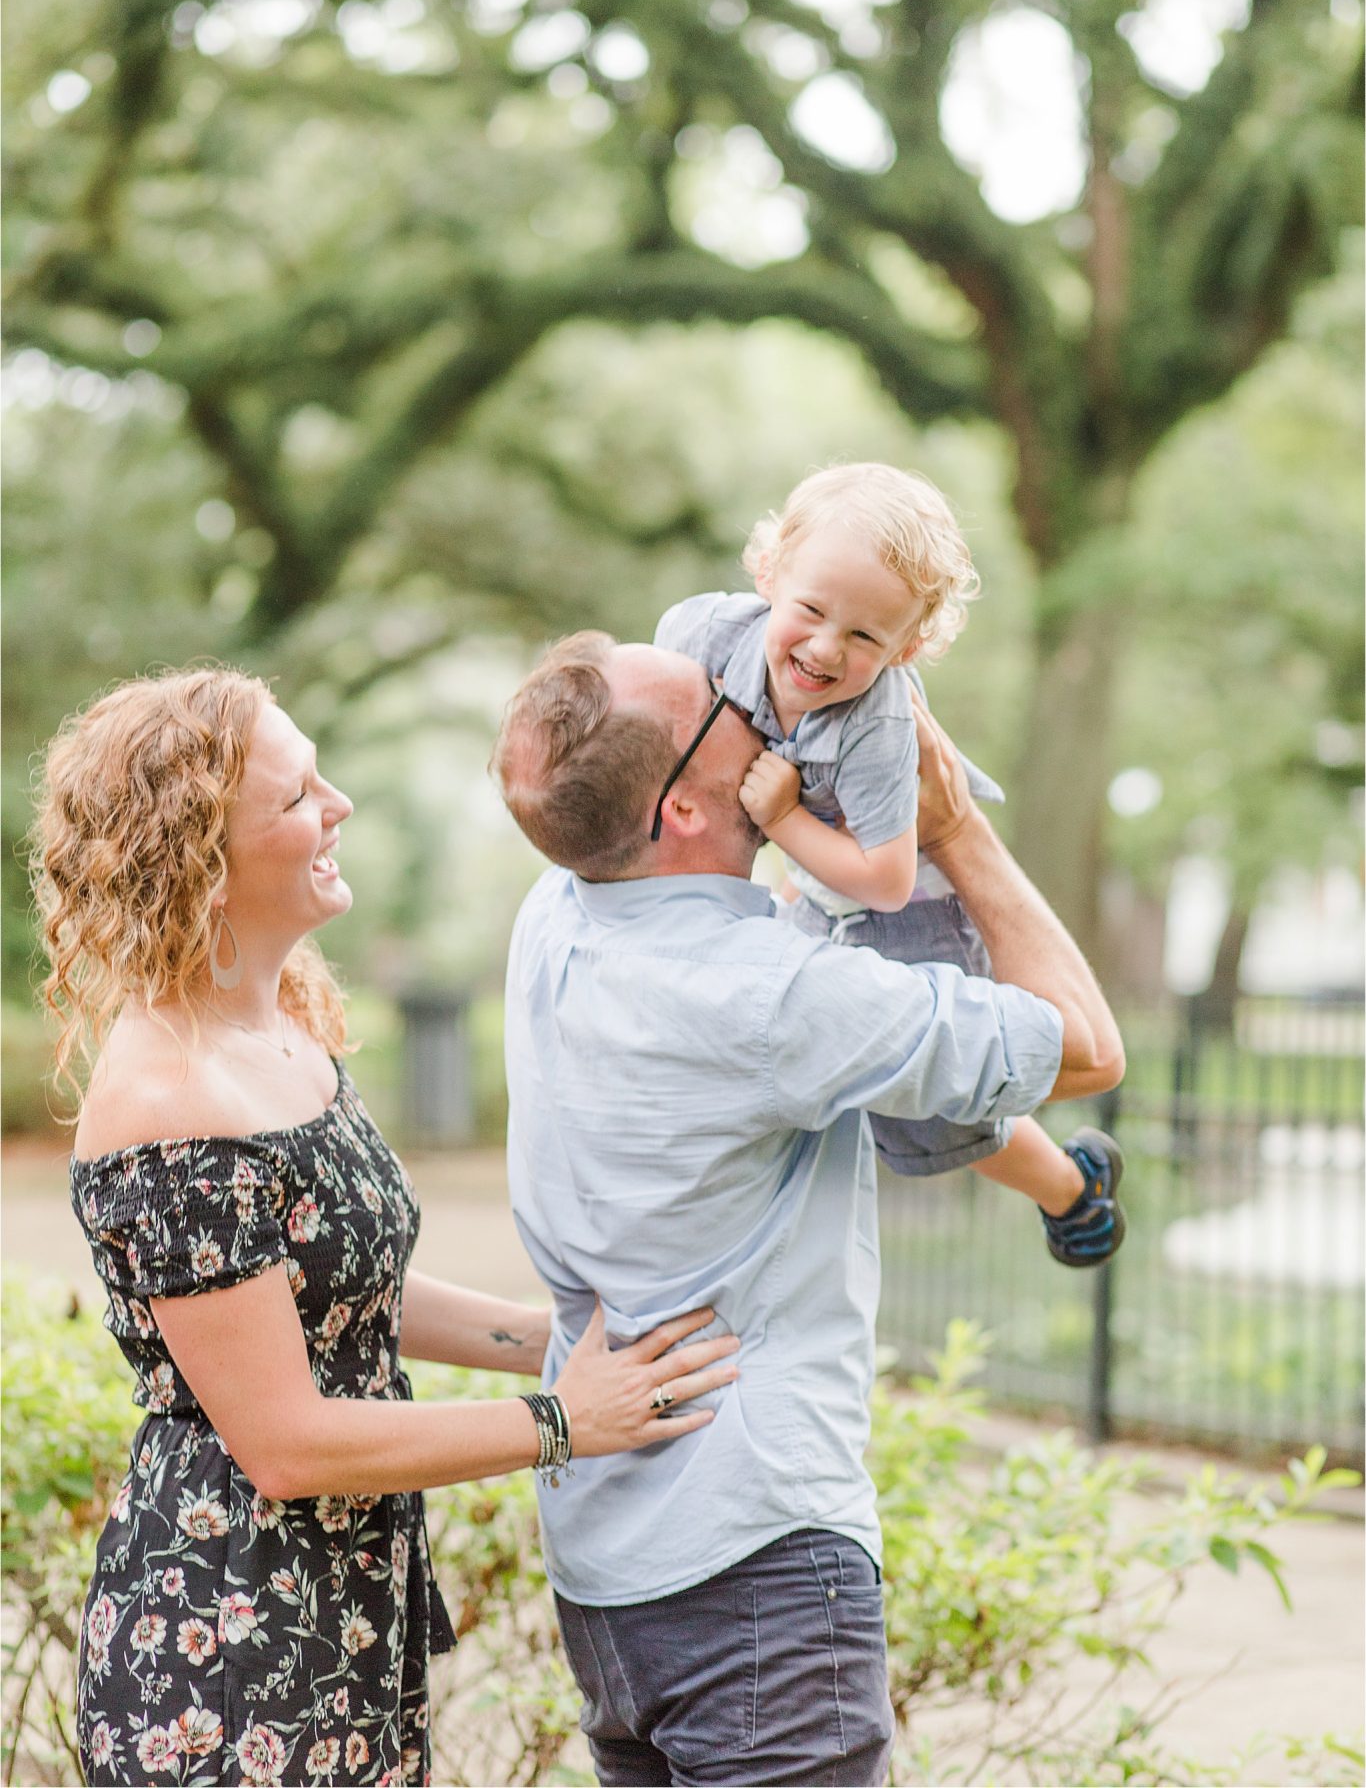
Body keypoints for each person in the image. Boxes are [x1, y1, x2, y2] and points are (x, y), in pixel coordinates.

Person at [31, 668, 740, 1788]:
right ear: (201, 864)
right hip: (226, 1648)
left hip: (339, 1614)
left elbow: (339, 1297)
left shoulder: (283, 1019)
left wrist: (553, 1337)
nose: (338, 805)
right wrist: (561, 1417)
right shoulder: (165, 1099)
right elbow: (288, 1439)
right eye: (296, 796)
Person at [491, 630, 1124, 1786]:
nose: (759, 696)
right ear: (683, 806)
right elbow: (1085, 1041)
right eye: (725, 696)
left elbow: (617, 767)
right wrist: (950, 826)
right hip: (758, 1575)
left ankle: (1072, 1186)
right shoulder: (769, 998)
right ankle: (1075, 1187)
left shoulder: (559, 908)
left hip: (605, 1576)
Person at [654, 462, 1125, 1268]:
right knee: (805, 1057)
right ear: (770, 572)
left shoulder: (877, 724)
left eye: (867, 636)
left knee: (933, 1102)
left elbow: (886, 876)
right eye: (810, 609)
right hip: (818, 882)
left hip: (907, 901)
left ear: (908, 645)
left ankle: (1072, 1188)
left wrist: (785, 818)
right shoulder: (701, 637)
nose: (827, 647)